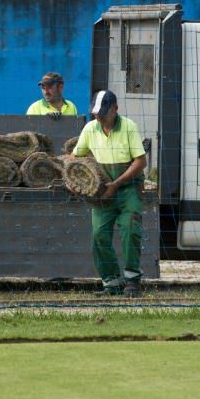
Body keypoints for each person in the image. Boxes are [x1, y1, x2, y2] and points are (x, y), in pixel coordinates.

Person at [72, 90, 147, 297]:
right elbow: (75, 156)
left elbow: (141, 162)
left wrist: (116, 184)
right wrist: (83, 180)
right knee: (98, 235)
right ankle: (111, 282)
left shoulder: (129, 127)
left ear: (115, 109)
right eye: (96, 112)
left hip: (128, 188)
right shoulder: (90, 128)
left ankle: (132, 281)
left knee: (130, 229)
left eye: (103, 112)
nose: (99, 116)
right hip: (103, 191)